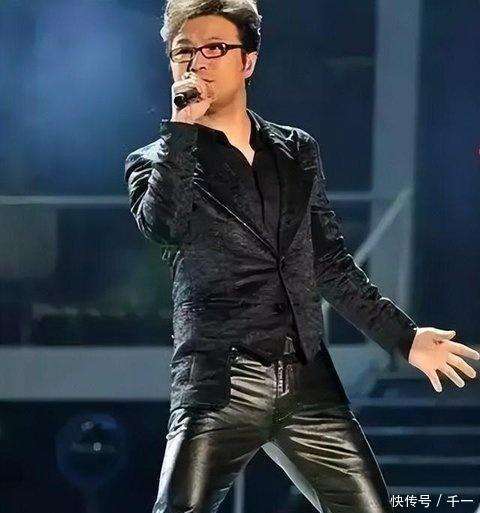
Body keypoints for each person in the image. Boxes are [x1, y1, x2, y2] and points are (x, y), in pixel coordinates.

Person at [124, 1, 480, 512]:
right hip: (221, 380)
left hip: (308, 379)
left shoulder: (295, 150)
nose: (197, 61)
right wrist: (182, 130)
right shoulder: (156, 160)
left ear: (248, 62)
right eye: (184, 52)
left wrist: (405, 338)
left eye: (215, 48)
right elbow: (163, 227)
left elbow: (329, 262)